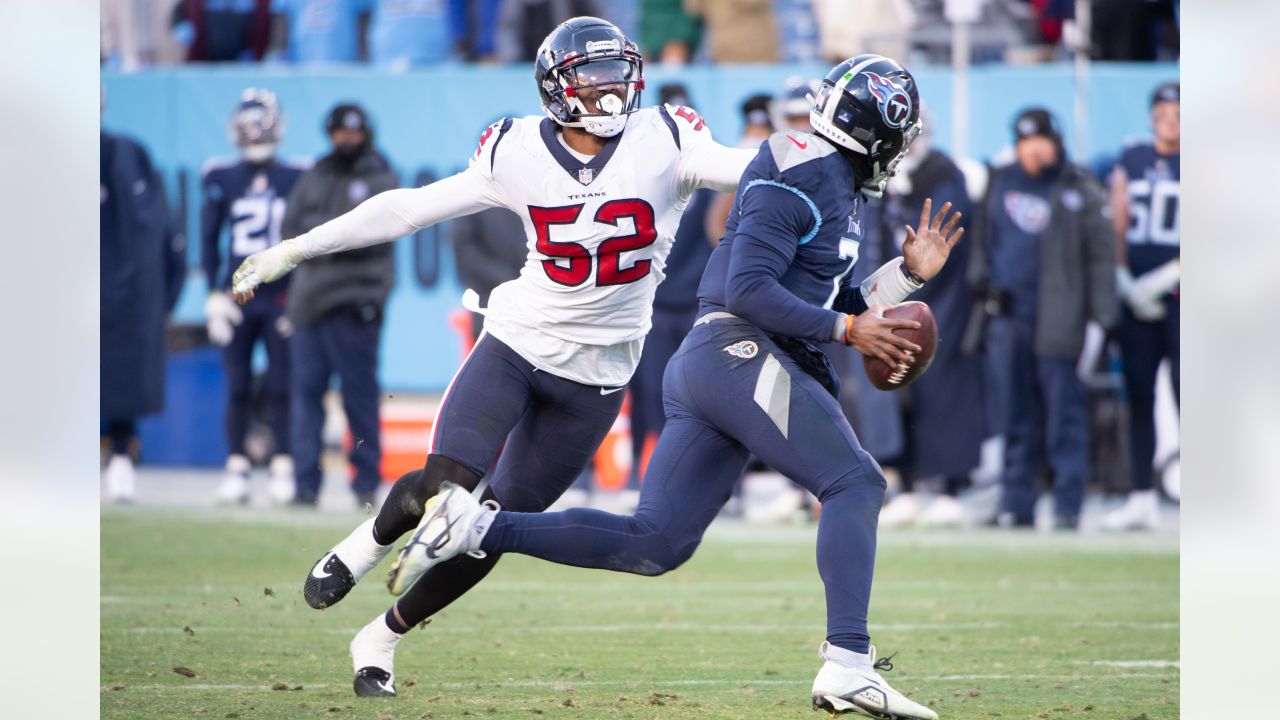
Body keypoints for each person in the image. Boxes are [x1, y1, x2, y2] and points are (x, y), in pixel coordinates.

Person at [399, 55, 952, 719]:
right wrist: (845, 329)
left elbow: (828, 294)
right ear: (882, 130)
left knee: (654, 543)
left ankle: (477, 524)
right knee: (856, 483)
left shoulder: (834, 180)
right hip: (738, 352)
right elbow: (750, 289)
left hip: (719, 361)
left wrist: (906, 279)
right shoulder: (806, 173)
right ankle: (848, 664)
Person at [229, 16, 753, 697]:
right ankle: (366, 543)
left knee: (487, 529)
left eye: (616, 74)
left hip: (596, 377)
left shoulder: (668, 138)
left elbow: (753, 169)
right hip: (517, 342)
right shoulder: (514, 151)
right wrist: (292, 249)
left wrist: (838, 162)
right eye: (591, 78)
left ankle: (380, 638)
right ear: (557, 89)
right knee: (443, 484)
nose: (609, 90)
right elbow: (406, 209)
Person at [970, 107, 1117, 530]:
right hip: (1010, 317)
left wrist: (1101, 320)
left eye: (1040, 141)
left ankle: (1068, 505)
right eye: (1024, 142)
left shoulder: (1079, 187)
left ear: (1056, 142)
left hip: (1062, 319)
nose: (1033, 150)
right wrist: (982, 280)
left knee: (1064, 416)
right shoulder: (1002, 180)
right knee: (1015, 416)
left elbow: (1101, 258)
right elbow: (983, 238)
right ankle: (1017, 504)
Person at [280, 103, 399, 507]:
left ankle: (365, 486)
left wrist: (327, 239)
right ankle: (304, 485)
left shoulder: (380, 175)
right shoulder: (316, 174)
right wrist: (334, 236)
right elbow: (291, 230)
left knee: (359, 399)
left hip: (354, 304)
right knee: (306, 396)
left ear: (366, 133)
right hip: (310, 305)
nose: (346, 140)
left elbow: (374, 236)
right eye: (339, 133)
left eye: (353, 133)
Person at [876, 117, 983, 528]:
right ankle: (908, 481)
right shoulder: (888, 181)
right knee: (900, 391)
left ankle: (951, 486)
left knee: (946, 393)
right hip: (899, 298)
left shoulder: (943, 177)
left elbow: (945, 243)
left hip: (944, 302)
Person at [201, 89, 307, 505]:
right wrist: (213, 294)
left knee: (282, 383)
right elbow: (208, 240)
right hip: (240, 295)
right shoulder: (221, 176)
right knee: (237, 384)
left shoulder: (297, 174)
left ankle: (282, 464)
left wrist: (297, 297)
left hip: (279, 295)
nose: (255, 131)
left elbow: (304, 238)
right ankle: (237, 465)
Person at [1102, 82, 1180, 532]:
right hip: (1137, 297)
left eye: (1179, 110)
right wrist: (1123, 276)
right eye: (1164, 109)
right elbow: (1119, 217)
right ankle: (1141, 496)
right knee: (1139, 395)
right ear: (1152, 114)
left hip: (1184, 293)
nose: (1171, 118)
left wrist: (1170, 276)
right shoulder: (1131, 158)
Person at [101, 122, 186, 502]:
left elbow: (162, 233)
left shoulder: (130, 154)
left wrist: (166, 293)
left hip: (123, 297)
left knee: (122, 375)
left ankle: (121, 456)